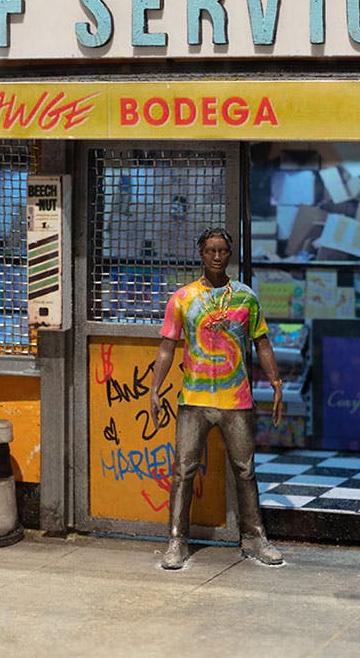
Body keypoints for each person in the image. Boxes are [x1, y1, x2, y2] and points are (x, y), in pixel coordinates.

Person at [148, 226, 285, 570]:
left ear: (229, 254)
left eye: (222, 250)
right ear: (200, 253)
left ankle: (254, 537)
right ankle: (177, 539)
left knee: (245, 469)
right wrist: (155, 388)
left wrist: (276, 382)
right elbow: (167, 347)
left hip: (236, 399)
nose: (217, 256)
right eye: (210, 250)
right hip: (193, 399)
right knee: (183, 470)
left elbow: (262, 342)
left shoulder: (245, 297)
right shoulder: (183, 298)